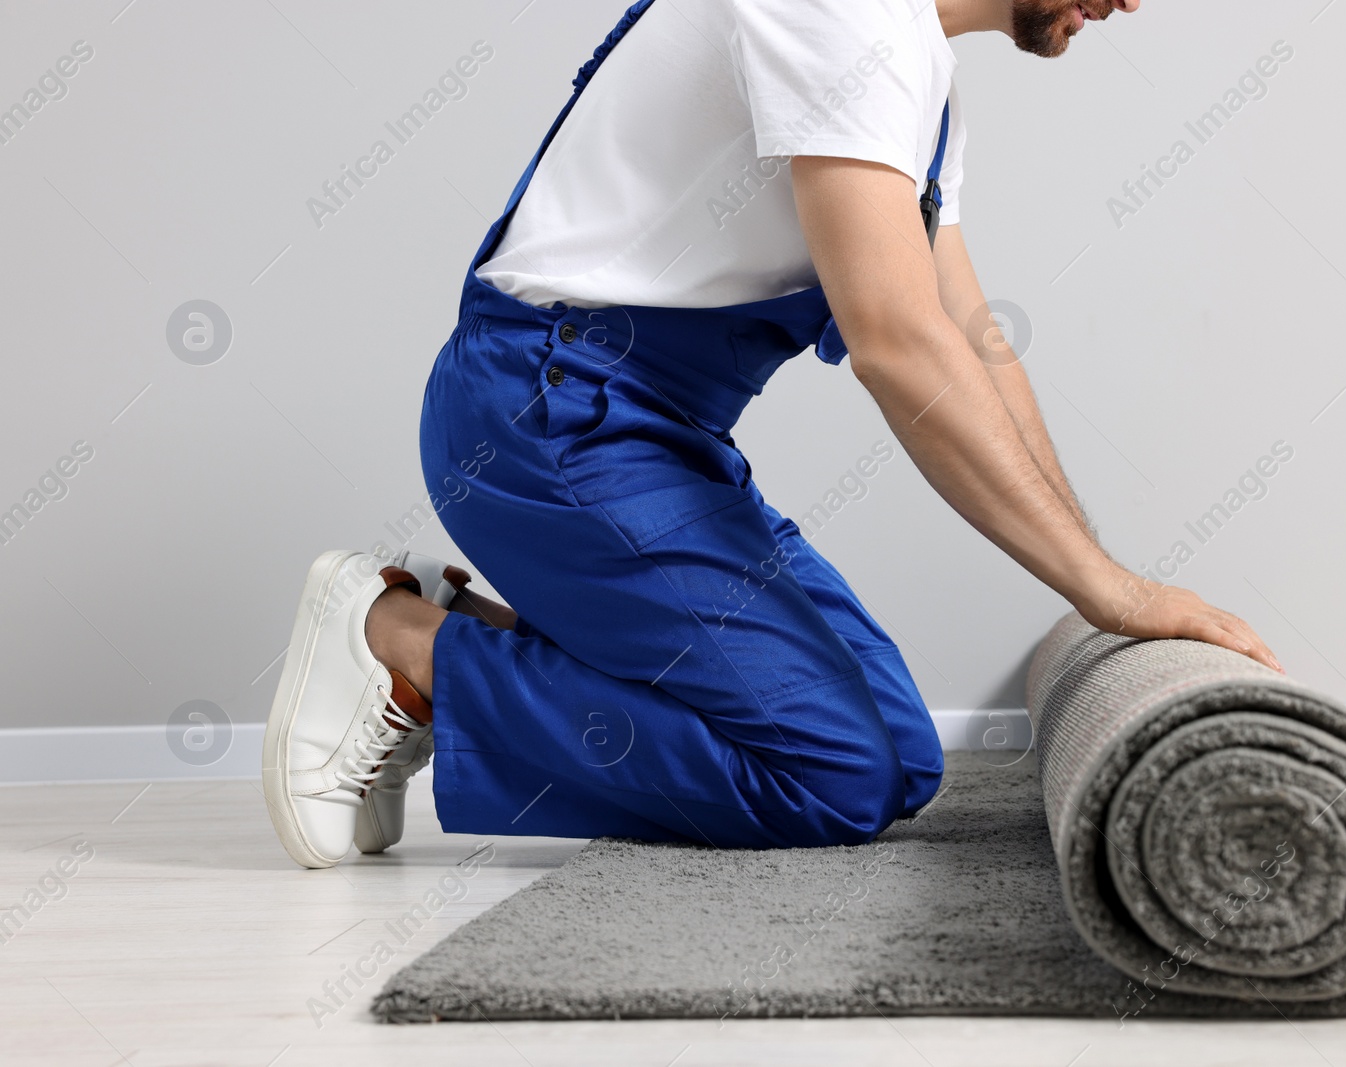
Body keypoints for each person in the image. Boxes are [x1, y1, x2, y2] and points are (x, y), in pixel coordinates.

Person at [263, 0, 1282, 870]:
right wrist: (1110, 594)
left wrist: (1106, 579)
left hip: (654, 439)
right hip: (544, 416)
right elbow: (897, 344)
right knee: (832, 774)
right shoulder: (840, 12)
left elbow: (973, 348)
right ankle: (399, 641)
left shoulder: (918, 72)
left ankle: (464, 637)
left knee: (895, 751)